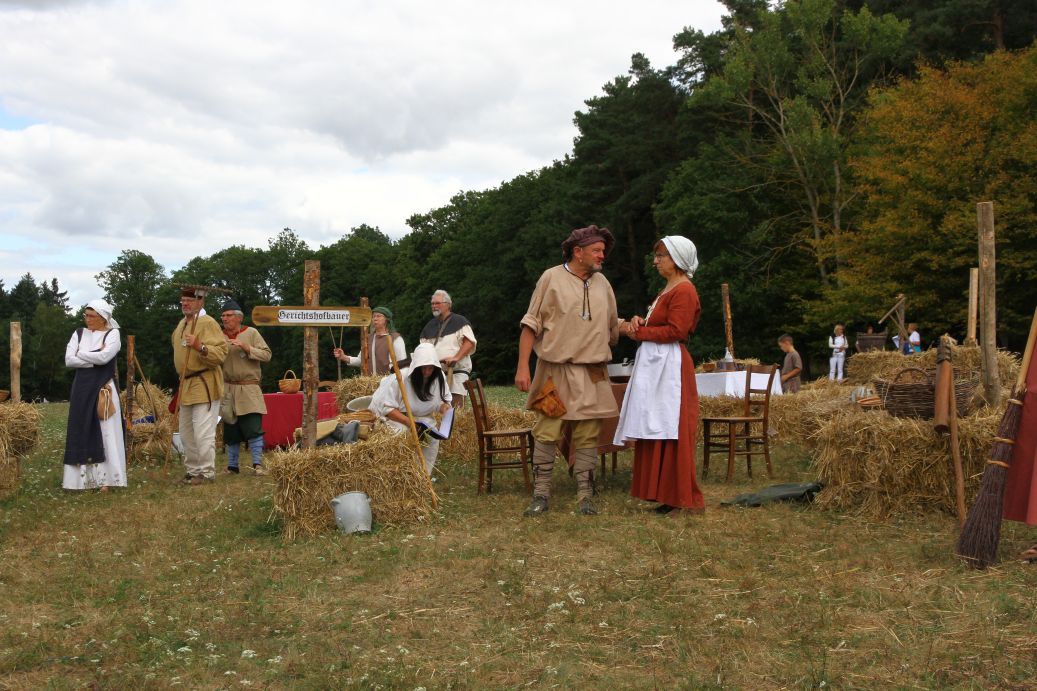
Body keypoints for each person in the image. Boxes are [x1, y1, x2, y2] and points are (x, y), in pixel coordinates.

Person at [515, 225, 620, 517]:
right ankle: (541, 495)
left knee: (588, 433)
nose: (602, 256)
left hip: (593, 372)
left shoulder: (603, 284)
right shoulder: (551, 278)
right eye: (596, 251)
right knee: (547, 431)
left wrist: (635, 325)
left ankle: (585, 495)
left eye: (603, 251)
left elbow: (612, 326)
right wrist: (523, 367)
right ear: (578, 252)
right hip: (555, 371)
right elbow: (531, 324)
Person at [614, 236, 706, 516]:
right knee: (657, 425)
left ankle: (684, 498)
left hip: (671, 368)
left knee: (672, 427)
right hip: (658, 366)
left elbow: (677, 330)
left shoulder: (684, 290)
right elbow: (661, 323)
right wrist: (640, 321)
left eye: (661, 256)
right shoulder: (669, 289)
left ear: (677, 259)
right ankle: (667, 494)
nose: (655, 261)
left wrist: (639, 333)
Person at [62, 300, 127, 491]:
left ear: (103, 318)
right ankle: (80, 481)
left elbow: (105, 357)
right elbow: (69, 360)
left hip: (103, 388)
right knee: (80, 428)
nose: (87, 319)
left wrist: (81, 353)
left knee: (106, 432)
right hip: (81, 389)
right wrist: (94, 358)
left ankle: (107, 480)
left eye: (92, 316)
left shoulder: (113, 334)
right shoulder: (78, 333)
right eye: (86, 315)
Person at [172, 286, 228, 485]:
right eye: (183, 301)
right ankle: (193, 471)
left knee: (203, 432)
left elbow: (221, 353)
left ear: (201, 301)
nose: (185, 304)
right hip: (186, 383)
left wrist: (200, 346)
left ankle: (206, 473)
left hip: (204, 382)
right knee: (186, 433)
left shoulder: (208, 323)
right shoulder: (182, 323)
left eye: (190, 300)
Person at [369, 342, 452, 475]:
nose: (427, 372)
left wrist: (444, 408)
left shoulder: (439, 377)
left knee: (432, 438)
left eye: (430, 368)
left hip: (423, 419)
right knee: (402, 435)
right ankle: (402, 475)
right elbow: (388, 410)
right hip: (398, 418)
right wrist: (410, 423)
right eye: (423, 368)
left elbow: (440, 402)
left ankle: (423, 476)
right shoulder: (401, 378)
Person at [219, 298, 272, 475]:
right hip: (228, 388)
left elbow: (267, 355)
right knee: (231, 429)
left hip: (249, 388)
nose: (224, 319)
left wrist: (247, 348)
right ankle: (232, 466)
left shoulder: (251, 333)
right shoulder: (219, 336)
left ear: (239, 318)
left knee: (253, 427)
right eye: (223, 316)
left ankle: (258, 465)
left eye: (228, 315)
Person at [419, 290, 476, 408]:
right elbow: (424, 350)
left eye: (437, 303)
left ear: (448, 304)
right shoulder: (429, 327)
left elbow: (469, 342)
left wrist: (456, 358)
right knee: (436, 410)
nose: (434, 306)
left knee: (456, 409)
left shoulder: (460, 321)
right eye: (432, 304)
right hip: (435, 375)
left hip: (457, 373)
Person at [333, 306, 408, 375]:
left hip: (389, 381)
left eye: (378, 316)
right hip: (370, 382)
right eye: (373, 316)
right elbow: (361, 361)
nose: (375, 319)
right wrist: (343, 357)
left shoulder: (396, 338)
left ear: (386, 319)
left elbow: (402, 363)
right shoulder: (368, 338)